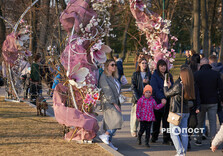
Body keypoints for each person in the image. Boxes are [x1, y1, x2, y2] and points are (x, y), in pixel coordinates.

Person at [164, 67, 196, 156]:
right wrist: (171, 86)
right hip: (185, 112)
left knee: (174, 134)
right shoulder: (190, 85)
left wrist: (165, 86)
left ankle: (180, 152)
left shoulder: (179, 85)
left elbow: (167, 94)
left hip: (176, 112)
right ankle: (183, 152)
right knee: (184, 133)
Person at [194, 58, 223, 146]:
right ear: (208, 64)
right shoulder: (215, 74)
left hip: (201, 102)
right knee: (212, 122)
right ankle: (213, 140)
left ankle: (198, 139)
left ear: (201, 65)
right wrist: (221, 100)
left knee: (200, 121)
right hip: (213, 101)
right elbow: (220, 89)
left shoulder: (196, 74)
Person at [99, 59, 123, 151]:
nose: (114, 66)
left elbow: (117, 89)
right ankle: (106, 135)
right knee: (117, 119)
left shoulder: (114, 77)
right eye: (112, 65)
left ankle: (109, 142)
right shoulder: (104, 77)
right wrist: (114, 103)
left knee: (110, 123)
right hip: (108, 102)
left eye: (115, 65)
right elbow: (107, 90)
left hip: (115, 101)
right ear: (107, 66)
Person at [150, 59, 173, 144]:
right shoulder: (155, 76)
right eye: (161, 66)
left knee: (166, 120)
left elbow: (173, 87)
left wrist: (171, 85)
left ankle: (166, 138)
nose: (163, 67)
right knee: (157, 120)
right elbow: (155, 89)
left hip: (168, 101)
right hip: (158, 101)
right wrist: (162, 98)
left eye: (164, 66)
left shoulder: (169, 75)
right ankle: (154, 136)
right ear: (158, 66)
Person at [130, 58, 150, 137]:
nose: (144, 65)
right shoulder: (135, 74)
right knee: (135, 115)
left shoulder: (149, 74)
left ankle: (146, 130)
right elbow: (133, 86)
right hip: (137, 98)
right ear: (139, 64)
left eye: (145, 63)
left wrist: (146, 83)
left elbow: (150, 86)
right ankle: (134, 130)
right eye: (142, 63)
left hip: (146, 98)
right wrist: (138, 98)